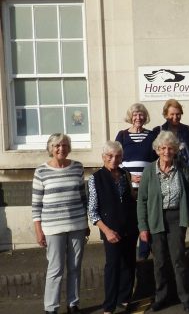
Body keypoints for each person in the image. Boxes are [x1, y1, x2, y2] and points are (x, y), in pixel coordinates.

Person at [137, 131, 189, 312]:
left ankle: (185, 297)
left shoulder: (181, 167)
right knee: (160, 261)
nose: (166, 152)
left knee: (179, 259)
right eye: (163, 148)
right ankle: (161, 297)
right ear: (157, 150)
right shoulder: (149, 171)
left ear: (175, 150)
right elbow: (142, 200)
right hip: (156, 218)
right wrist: (142, 227)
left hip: (176, 217)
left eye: (170, 148)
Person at [32, 133, 88, 314]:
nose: (61, 149)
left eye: (64, 145)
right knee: (55, 269)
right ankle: (51, 308)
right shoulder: (41, 171)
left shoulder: (78, 167)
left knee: (75, 267)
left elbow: (83, 197)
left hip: (77, 225)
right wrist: (38, 231)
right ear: (50, 148)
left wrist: (86, 222)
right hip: (52, 228)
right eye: (56, 145)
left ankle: (73, 304)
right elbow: (36, 204)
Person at [88, 141, 138, 314]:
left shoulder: (125, 174)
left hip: (130, 227)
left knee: (129, 264)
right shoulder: (95, 178)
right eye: (110, 156)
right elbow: (93, 211)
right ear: (103, 157)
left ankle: (124, 299)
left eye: (117, 156)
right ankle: (109, 305)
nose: (114, 159)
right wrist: (106, 231)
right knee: (113, 266)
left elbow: (131, 198)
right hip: (111, 229)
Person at [115, 103, 158, 259]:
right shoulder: (122, 135)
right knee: (132, 219)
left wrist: (146, 177)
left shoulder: (152, 135)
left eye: (141, 115)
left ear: (145, 117)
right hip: (128, 186)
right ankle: (129, 255)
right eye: (135, 115)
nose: (138, 118)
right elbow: (116, 160)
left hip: (147, 186)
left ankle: (144, 255)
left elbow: (156, 160)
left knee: (145, 219)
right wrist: (129, 176)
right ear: (130, 117)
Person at [154, 99, 189, 172]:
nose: (175, 117)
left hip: (184, 168)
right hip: (166, 169)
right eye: (172, 114)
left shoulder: (187, 129)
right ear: (166, 115)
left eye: (178, 114)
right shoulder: (158, 130)